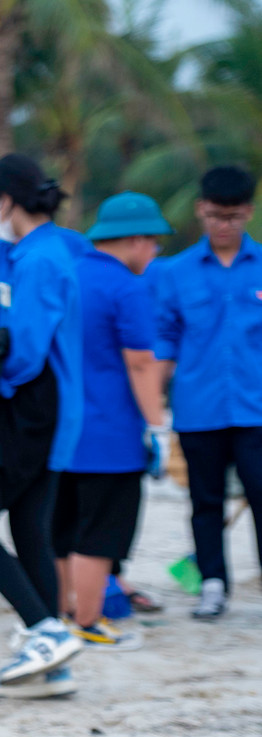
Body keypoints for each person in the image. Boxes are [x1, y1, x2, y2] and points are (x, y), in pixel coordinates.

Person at [0, 153, 85, 699]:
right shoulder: (43, 251)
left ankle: (46, 630)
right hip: (49, 411)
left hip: (33, 409)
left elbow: (25, 353)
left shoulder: (37, 259)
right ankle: (52, 662)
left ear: (7, 201)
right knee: (31, 529)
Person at [53, 191, 172, 648]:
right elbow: (141, 362)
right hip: (111, 433)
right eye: (154, 243)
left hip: (60, 429)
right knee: (100, 532)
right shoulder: (126, 287)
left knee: (62, 527)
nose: (155, 252)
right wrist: (158, 425)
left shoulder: (66, 276)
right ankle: (88, 619)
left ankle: (63, 611)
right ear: (137, 240)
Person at [155, 165, 262, 621]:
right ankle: (213, 584)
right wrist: (151, 409)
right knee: (205, 500)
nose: (224, 225)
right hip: (198, 408)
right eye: (216, 215)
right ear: (201, 210)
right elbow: (162, 343)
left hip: (256, 409)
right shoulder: (174, 273)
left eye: (234, 217)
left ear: (249, 213)